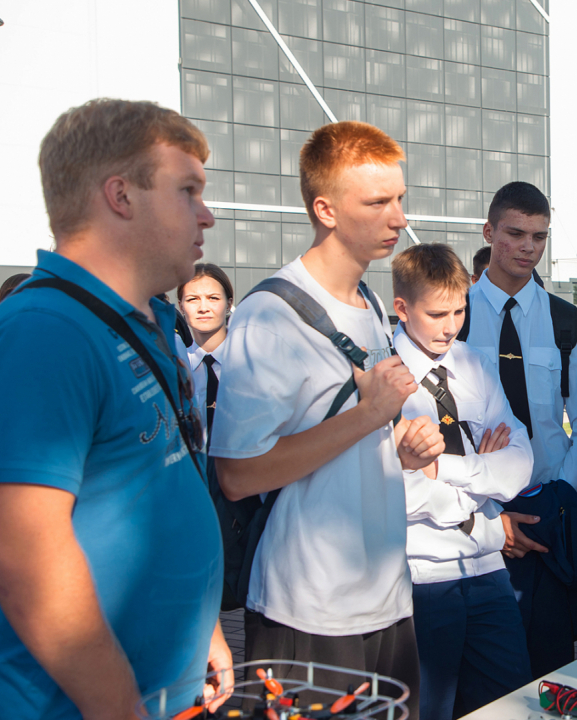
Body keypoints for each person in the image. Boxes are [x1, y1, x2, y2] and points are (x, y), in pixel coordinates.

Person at [0, 99, 230, 719]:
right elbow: (26, 565)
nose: (207, 215)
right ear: (121, 196)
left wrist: (200, 631)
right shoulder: (41, 333)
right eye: (187, 191)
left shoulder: (154, 319)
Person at [210, 121, 443, 715]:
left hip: (386, 595)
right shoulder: (270, 316)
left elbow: (351, 435)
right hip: (310, 608)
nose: (398, 218)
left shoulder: (366, 302)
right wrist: (372, 417)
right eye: (377, 202)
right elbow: (237, 472)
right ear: (326, 209)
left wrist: (398, 446)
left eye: (400, 199)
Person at [464, 181, 577, 676]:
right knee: (480, 677)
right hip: (472, 518)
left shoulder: (568, 322)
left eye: (539, 237)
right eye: (515, 233)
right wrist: (483, 519)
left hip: (549, 515)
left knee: (548, 671)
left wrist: (563, 498)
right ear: (488, 231)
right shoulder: (452, 317)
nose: (527, 247)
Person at [392, 243, 534, 720]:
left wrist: (439, 468)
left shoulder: (471, 364)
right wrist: (477, 491)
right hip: (422, 574)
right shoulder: (382, 378)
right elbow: (395, 488)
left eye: (459, 310)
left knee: (508, 705)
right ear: (402, 308)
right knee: (428, 709)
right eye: (436, 314)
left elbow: (519, 463)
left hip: (487, 569)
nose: (450, 326)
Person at [177, 263, 234, 442]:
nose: (203, 307)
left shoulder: (250, 364)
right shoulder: (177, 367)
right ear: (181, 307)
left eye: (213, 298)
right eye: (193, 299)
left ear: (228, 304)